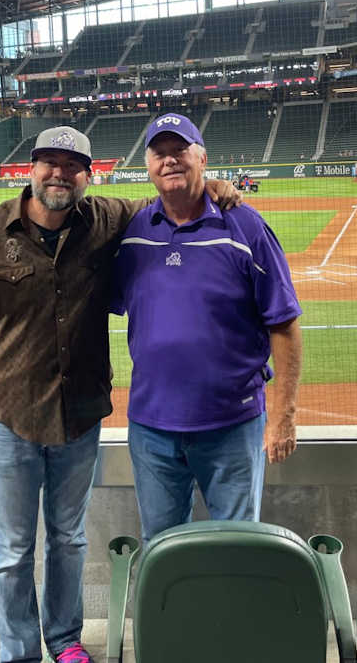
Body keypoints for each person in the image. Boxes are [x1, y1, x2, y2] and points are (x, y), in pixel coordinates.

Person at [0, 125, 239, 663]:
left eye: (72, 164)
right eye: (48, 163)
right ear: (31, 169)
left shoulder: (107, 218)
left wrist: (213, 183)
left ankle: (64, 641)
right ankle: (19, 652)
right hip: (10, 413)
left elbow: (168, 195)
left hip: (79, 414)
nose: (59, 173)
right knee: (14, 549)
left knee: (69, 539)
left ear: (88, 174)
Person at [111, 113, 303, 543]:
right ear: (147, 165)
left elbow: (285, 324)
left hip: (232, 428)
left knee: (238, 551)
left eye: (179, 151)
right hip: (152, 430)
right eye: (159, 153)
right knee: (160, 550)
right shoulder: (134, 232)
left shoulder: (246, 227)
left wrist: (284, 418)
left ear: (203, 158)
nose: (169, 160)